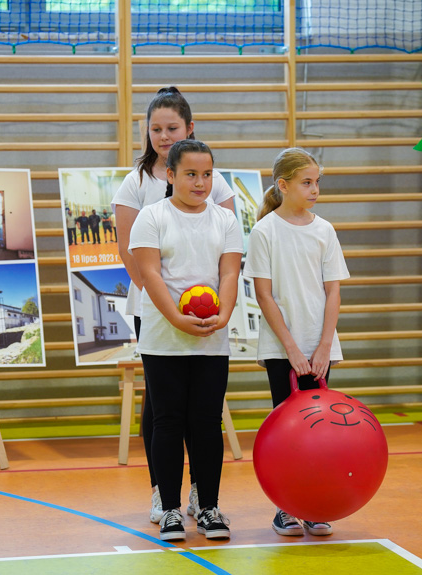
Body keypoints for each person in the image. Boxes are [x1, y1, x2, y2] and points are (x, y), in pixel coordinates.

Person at [111, 86, 236, 525]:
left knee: (202, 413)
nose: (164, 136)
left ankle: (204, 496)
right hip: (156, 307)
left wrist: (209, 309)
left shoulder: (212, 183)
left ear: (189, 128)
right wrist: (165, 305)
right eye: (156, 129)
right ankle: (161, 496)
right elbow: (133, 254)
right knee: (162, 407)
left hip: (205, 314)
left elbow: (227, 258)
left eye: (173, 128)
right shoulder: (137, 185)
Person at [130, 139, 242, 541]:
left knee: (207, 422)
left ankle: (209, 507)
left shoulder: (225, 221)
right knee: (168, 420)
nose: (200, 182)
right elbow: (151, 276)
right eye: (191, 174)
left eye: (207, 174)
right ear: (171, 175)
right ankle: (172, 510)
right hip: (163, 338)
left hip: (211, 338)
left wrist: (224, 315)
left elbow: (229, 274)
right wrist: (176, 317)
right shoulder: (151, 217)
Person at [242, 147, 350, 537]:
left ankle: (314, 506)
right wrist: (290, 348)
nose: (315, 189)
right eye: (307, 182)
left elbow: (333, 293)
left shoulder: (325, 231)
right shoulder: (265, 231)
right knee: (288, 433)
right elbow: (264, 295)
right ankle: (285, 508)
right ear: (283, 185)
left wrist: (323, 347)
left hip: (319, 349)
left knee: (320, 432)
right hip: (281, 350)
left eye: (317, 181)